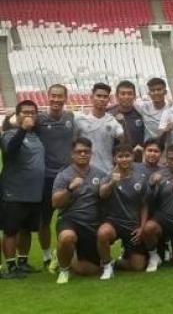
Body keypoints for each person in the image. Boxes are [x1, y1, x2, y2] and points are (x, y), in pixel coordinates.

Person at [51, 137, 106, 284]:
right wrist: (69, 188)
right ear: (72, 154)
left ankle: (64, 254)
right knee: (67, 237)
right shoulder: (63, 175)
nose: (83, 154)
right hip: (70, 220)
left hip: (91, 224)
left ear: (91, 154)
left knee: (88, 271)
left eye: (86, 152)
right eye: (79, 151)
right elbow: (55, 203)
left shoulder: (100, 174)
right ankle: (63, 270)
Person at [1, 100, 45, 278]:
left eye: (32, 112)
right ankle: (10, 267)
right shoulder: (9, 134)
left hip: (34, 193)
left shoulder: (36, 136)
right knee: (11, 230)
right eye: (25, 112)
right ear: (17, 115)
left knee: (27, 230)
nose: (29, 115)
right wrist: (22, 129)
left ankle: (23, 261)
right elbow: (11, 151)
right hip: (14, 192)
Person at [35, 84, 75, 268]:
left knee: (70, 216)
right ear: (47, 97)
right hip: (46, 177)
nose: (57, 100)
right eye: (53, 96)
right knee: (45, 218)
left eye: (60, 96)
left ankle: (71, 252)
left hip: (67, 177)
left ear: (65, 98)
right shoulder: (39, 119)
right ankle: (45, 256)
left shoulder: (71, 117)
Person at [97, 144, 149, 280]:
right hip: (114, 222)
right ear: (115, 158)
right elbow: (102, 194)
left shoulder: (140, 177)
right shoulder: (109, 176)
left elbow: (144, 205)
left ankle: (115, 262)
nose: (124, 159)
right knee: (102, 233)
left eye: (127, 156)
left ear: (132, 157)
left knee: (138, 267)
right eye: (120, 156)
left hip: (132, 225)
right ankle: (107, 266)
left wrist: (142, 228)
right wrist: (112, 182)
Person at [74, 82, 124, 173]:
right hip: (84, 171)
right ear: (91, 97)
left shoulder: (113, 122)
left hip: (107, 170)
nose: (101, 99)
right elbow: (72, 143)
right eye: (99, 96)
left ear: (108, 100)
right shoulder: (79, 119)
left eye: (105, 97)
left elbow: (124, 143)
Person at [107, 80, 145, 153]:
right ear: (117, 96)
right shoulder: (109, 115)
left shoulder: (141, 113)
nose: (126, 97)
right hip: (117, 159)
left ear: (134, 96)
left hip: (138, 158)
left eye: (130, 94)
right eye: (123, 94)